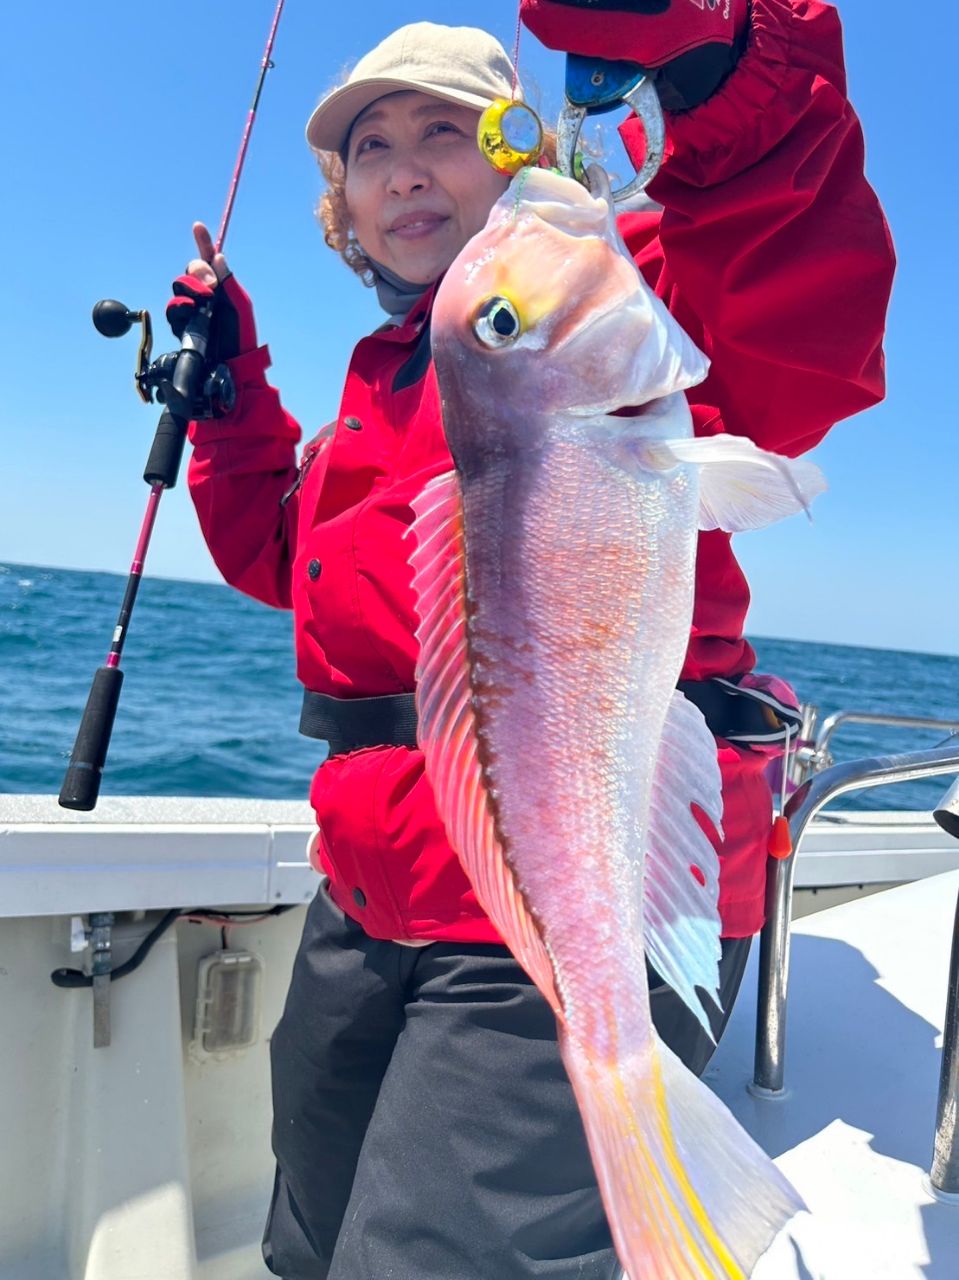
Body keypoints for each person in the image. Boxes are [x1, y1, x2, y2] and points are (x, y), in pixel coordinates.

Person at [169, 3, 894, 1276]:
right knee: (306, 1238)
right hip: (373, 887)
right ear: (343, 199)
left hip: (567, 897)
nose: (400, 164)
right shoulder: (397, 373)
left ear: (520, 151)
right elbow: (285, 563)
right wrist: (232, 399)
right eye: (367, 146)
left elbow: (800, 335)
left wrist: (729, 74)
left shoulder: (624, 309)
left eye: (441, 129)